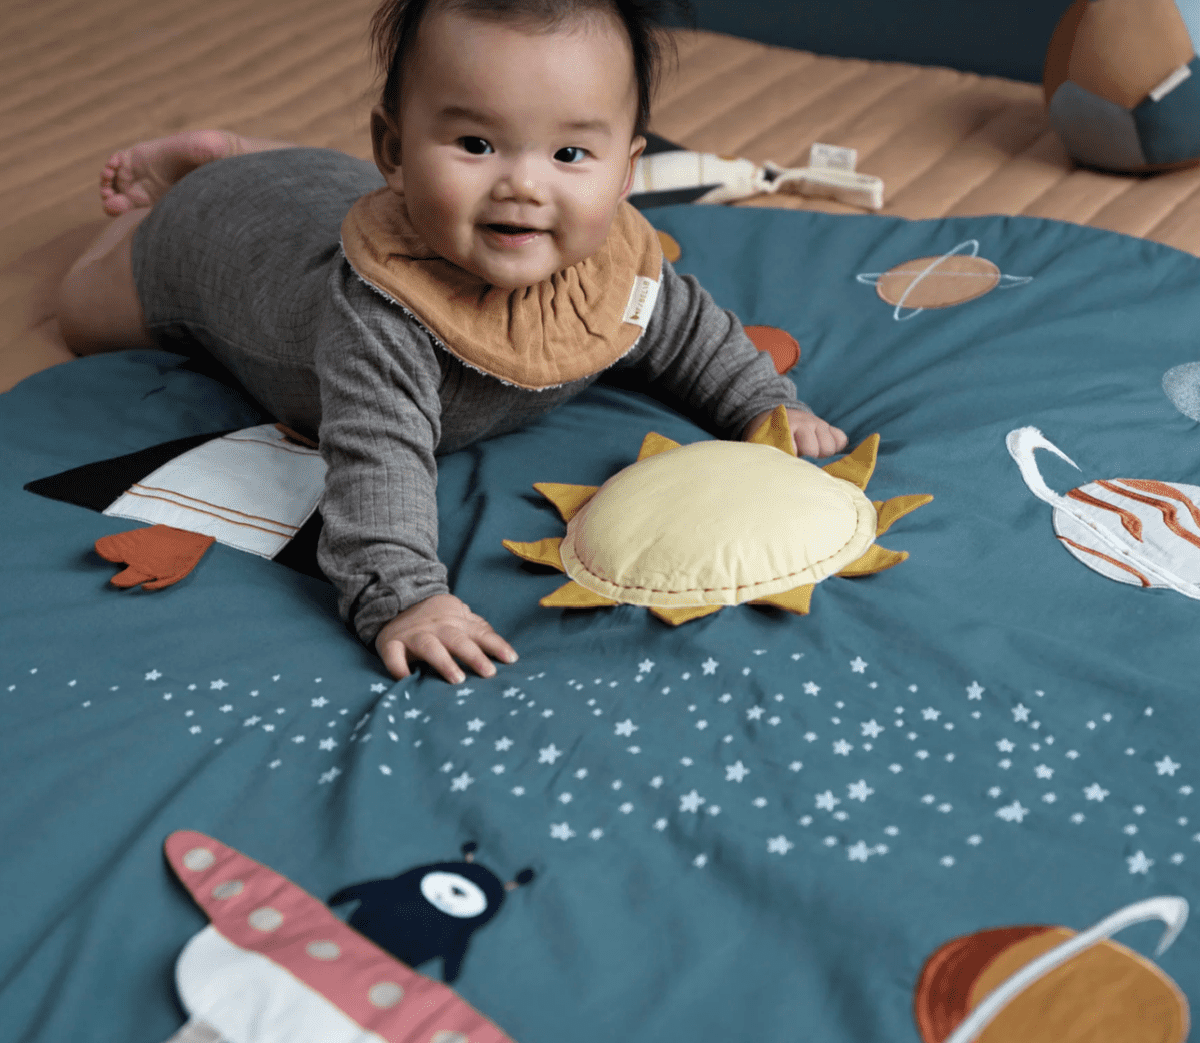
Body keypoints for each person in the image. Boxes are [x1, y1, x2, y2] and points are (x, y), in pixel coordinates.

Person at [56, 0, 848, 686]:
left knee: (340, 191)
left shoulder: (615, 269)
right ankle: (174, 199)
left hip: (326, 186)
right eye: (476, 143)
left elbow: (691, 334)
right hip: (215, 243)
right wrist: (404, 596)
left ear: (625, 172)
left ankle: (247, 151)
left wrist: (761, 404)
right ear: (394, 149)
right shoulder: (383, 315)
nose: (523, 186)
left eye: (570, 154)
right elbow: (378, 461)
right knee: (83, 315)